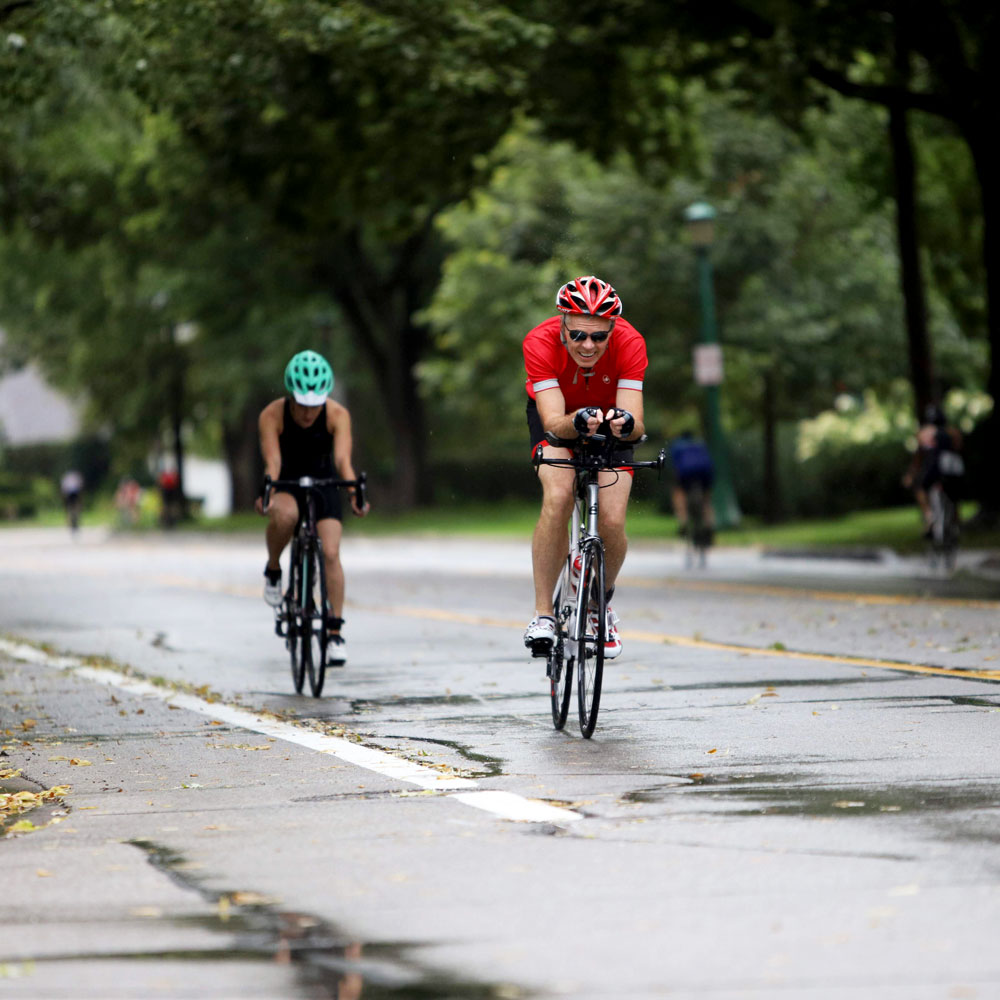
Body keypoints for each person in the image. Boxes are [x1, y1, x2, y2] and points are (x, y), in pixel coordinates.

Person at [522, 275, 647, 660]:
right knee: (558, 496)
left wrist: (624, 427)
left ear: (613, 330)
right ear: (562, 324)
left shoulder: (631, 342)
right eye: (577, 336)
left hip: (610, 422)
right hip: (559, 422)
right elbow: (553, 420)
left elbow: (637, 424)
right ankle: (543, 615)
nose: (588, 345)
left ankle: (599, 602)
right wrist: (577, 422)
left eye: (598, 337)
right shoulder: (539, 342)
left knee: (611, 521)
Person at [255, 350, 368, 665]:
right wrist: (268, 490)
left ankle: (334, 633)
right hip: (288, 480)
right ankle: (275, 568)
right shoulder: (272, 415)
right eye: (302, 404)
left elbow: (343, 461)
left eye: (314, 404)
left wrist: (353, 492)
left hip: (323, 481)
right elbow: (273, 461)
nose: (307, 413)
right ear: (291, 395)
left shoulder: (337, 415)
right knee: (286, 515)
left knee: (331, 552)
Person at [902, 403, 964, 536]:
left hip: (934, 469)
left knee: (920, 488)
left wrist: (911, 475)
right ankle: (956, 519)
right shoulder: (954, 432)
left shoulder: (923, 433)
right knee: (954, 493)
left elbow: (918, 458)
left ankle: (929, 516)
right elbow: (959, 450)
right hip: (953, 470)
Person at [669, 430, 715, 541]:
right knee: (706, 499)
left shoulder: (677, 445)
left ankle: (683, 522)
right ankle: (709, 524)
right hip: (704, 473)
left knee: (678, 494)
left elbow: (675, 464)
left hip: (686, 473)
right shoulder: (700, 444)